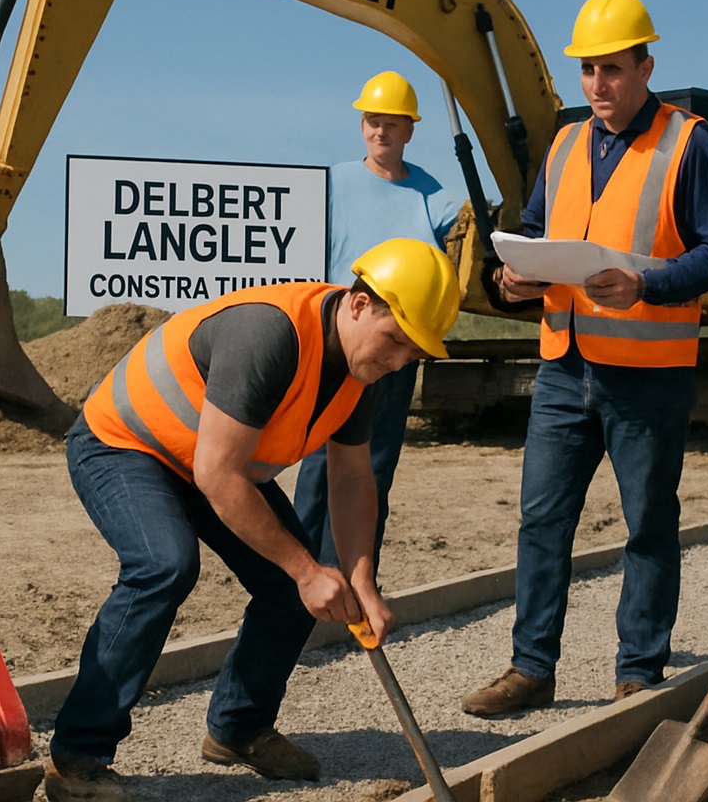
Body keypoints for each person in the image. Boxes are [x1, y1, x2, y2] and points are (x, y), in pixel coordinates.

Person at [43, 239, 460, 802]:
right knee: (164, 565)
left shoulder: (362, 373)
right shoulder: (270, 334)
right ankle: (77, 758)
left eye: (414, 352)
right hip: (126, 443)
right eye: (395, 341)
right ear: (359, 304)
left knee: (290, 590)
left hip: (208, 460)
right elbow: (220, 476)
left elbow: (354, 479)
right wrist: (308, 569)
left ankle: (238, 729)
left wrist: (360, 575)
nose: (399, 361)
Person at [461, 0, 708, 716]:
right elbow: (534, 231)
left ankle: (639, 671)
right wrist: (512, 278)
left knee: (647, 523)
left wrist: (644, 284)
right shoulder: (565, 142)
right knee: (542, 521)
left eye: (612, 68)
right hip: (563, 367)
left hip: (648, 378)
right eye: (588, 70)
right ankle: (531, 670)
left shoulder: (691, 141)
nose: (598, 85)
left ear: (646, 65)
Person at [292, 71, 461, 575]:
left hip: (393, 352)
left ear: (410, 129)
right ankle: (299, 580)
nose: (380, 132)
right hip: (335, 343)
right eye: (372, 121)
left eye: (391, 123)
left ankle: (353, 577)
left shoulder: (434, 197)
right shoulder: (331, 183)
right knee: (319, 461)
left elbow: (467, 250)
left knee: (373, 466)